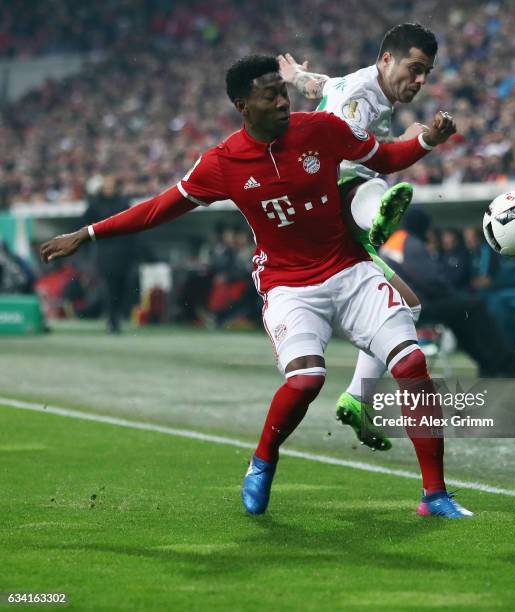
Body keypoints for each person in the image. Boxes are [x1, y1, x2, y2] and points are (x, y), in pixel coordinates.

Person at [40, 55, 471, 518]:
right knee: (307, 379)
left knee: (412, 363)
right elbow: (157, 208)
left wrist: (428, 139)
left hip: (349, 269)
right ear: (243, 105)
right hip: (288, 286)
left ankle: (434, 495)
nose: (283, 103)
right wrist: (86, 234)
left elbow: (386, 156)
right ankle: (263, 458)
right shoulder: (222, 163)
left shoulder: (320, 129)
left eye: (283, 93)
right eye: (270, 96)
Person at [279, 23, 443, 450]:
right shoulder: (363, 97)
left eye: (427, 72)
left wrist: (295, 76)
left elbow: (319, 86)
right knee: (362, 180)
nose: (421, 80)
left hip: (319, 202)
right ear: (386, 59)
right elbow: (342, 149)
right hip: (328, 199)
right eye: (415, 68)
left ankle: (358, 397)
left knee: (408, 304)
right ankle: (376, 217)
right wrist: (418, 140)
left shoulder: (354, 81)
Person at [380, 209, 515, 378]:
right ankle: (504, 364)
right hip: (416, 306)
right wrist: (453, 295)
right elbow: (431, 282)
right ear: (421, 226)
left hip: (397, 306)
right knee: (474, 306)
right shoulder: (411, 243)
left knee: (460, 314)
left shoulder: (394, 241)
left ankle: (489, 363)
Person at [82, 174, 138, 333]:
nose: (108, 189)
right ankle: (112, 320)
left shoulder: (123, 203)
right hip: (105, 253)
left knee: (122, 288)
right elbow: (84, 223)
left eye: (110, 186)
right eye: (106, 186)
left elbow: (134, 224)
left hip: (123, 252)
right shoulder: (95, 204)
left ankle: (115, 317)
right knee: (110, 288)